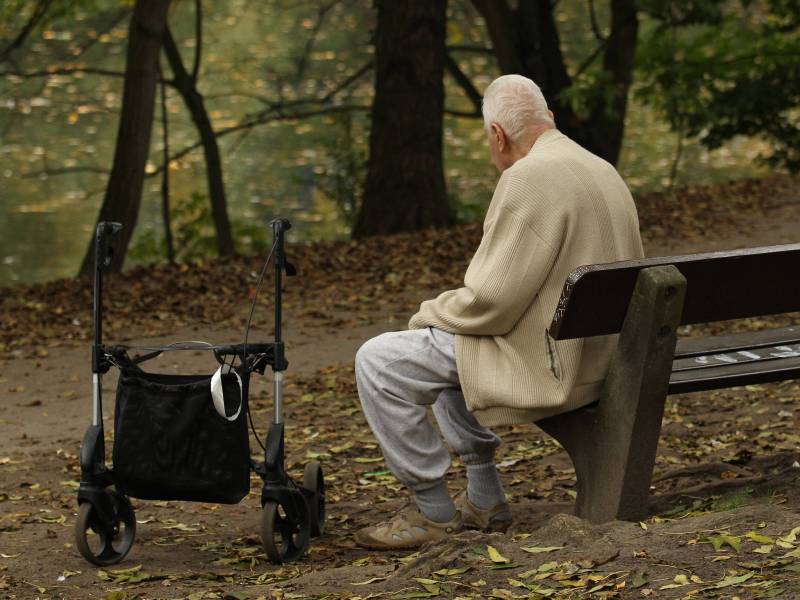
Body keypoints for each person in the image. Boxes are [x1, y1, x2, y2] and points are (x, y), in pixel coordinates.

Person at [353, 74, 645, 550]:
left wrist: (428, 313)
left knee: (380, 359)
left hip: (552, 363)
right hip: (601, 354)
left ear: (497, 134)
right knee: (451, 342)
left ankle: (431, 511)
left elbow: (489, 302)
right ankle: (485, 501)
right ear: (548, 118)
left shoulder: (529, 177)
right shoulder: (599, 167)